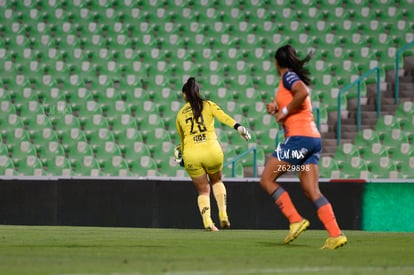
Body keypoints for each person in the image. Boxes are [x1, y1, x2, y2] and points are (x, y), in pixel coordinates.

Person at [261, 44, 347, 249]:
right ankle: (336, 234)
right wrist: (278, 110)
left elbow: (303, 92)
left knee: (267, 179)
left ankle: (295, 219)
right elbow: (296, 104)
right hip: (312, 141)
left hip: (298, 140)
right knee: (311, 190)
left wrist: (284, 109)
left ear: (276, 62)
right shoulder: (288, 82)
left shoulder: (287, 77)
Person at [175, 77, 251, 231]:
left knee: (203, 190)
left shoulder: (180, 114)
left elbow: (182, 141)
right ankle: (223, 215)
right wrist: (238, 127)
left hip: (192, 154)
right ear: (198, 92)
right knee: (217, 181)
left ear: (184, 95)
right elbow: (223, 117)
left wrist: (180, 155)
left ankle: (208, 222)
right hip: (212, 150)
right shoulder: (208, 105)